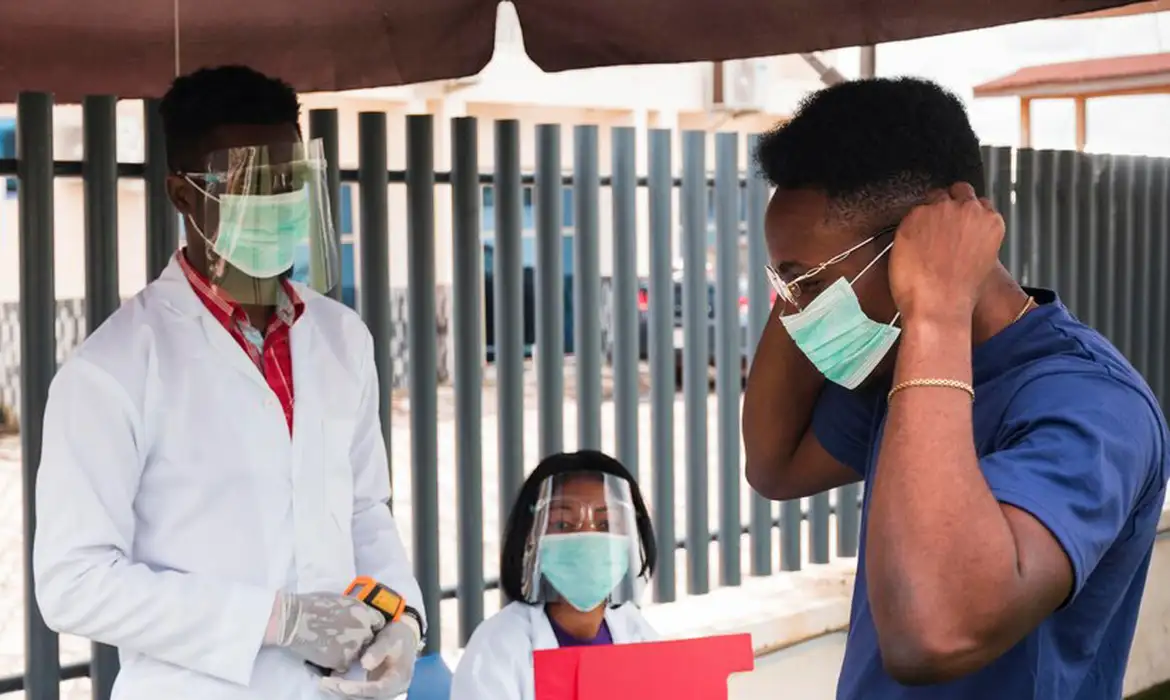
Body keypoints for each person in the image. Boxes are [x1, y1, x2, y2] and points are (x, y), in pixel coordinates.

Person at [742, 77, 1169, 700]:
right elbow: (775, 467)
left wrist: (938, 307)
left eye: (808, 285)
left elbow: (936, 633)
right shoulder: (905, 366)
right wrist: (801, 277)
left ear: (924, 239)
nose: (797, 312)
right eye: (786, 288)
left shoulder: (1093, 406)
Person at [32, 65, 425, 700]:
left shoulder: (341, 338)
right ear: (182, 195)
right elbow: (73, 583)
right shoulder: (112, 369)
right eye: (249, 184)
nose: (277, 200)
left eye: (289, 180)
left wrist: (402, 617)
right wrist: (274, 620)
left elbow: (363, 509)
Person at [450, 451, 659, 700]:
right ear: (531, 537)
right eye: (562, 525)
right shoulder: (497, 648)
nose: (588, 539)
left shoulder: (636, 631)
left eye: (606, 524)